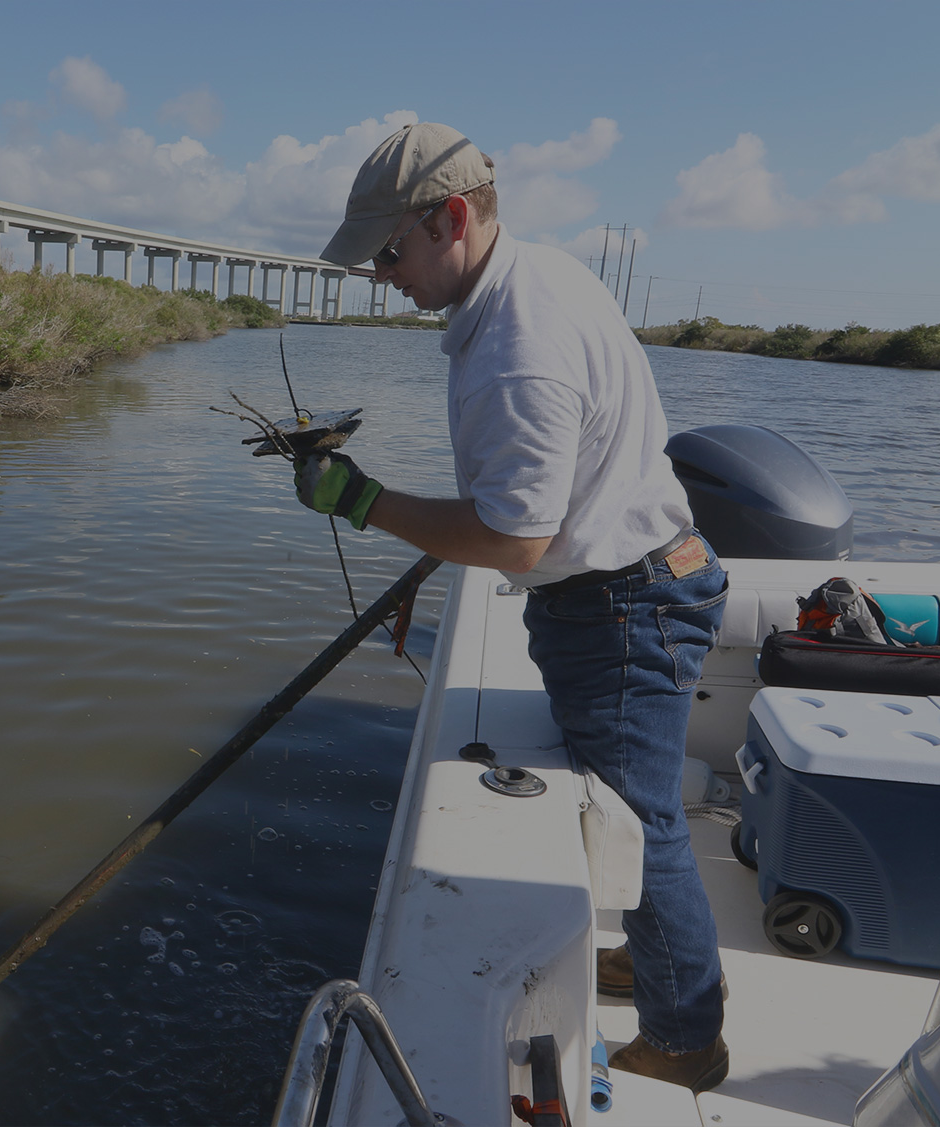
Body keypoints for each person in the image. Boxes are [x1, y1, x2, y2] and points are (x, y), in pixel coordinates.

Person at [302, 122, 732, 1093]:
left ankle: (685, 1032)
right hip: (634, 580)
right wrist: (427, 541)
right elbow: (536, 499)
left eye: (387, 251)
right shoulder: (533, 278)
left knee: (638, 818)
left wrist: (363, 502)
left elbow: (515, 539)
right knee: (629, 805)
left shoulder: (515, 349)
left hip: (622, 606)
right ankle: (659, 966)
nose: (381, 275)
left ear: (450, 218)